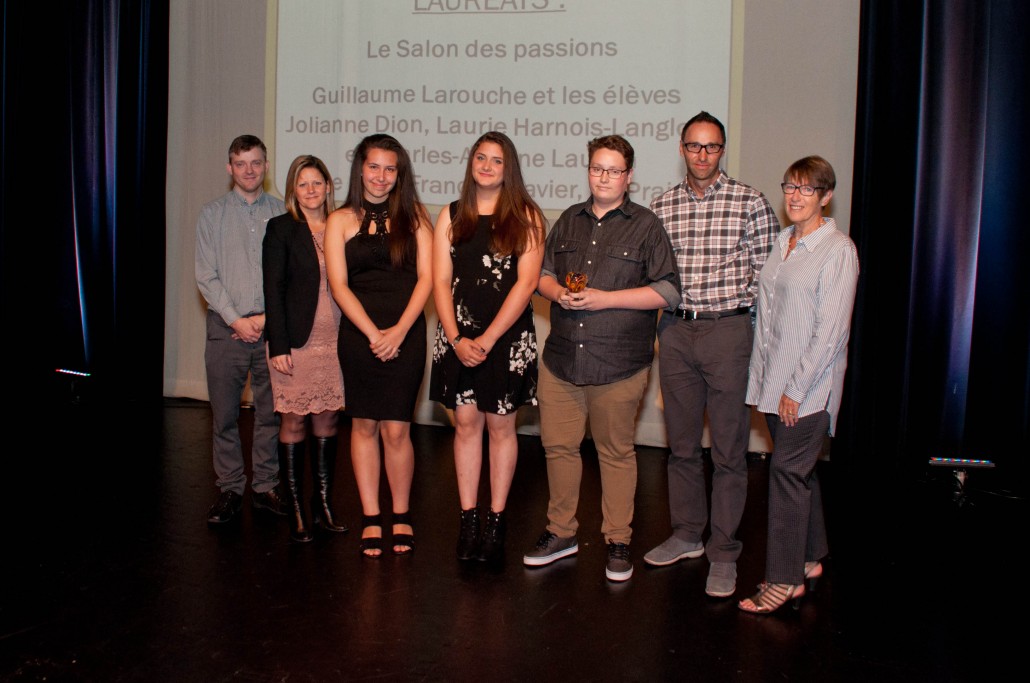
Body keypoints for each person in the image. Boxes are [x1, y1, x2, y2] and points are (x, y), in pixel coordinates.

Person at [522, 135, 680, 582]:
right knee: (558, 449)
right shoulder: (568, 221)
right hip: (562, 361)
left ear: (629, 176)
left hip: (619, 363)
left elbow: (668, 290)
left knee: (615, 453)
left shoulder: (647, 225)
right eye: (596, 169)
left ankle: (617, 540)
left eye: (612, 170)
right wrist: (560, 295)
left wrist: (605, 299)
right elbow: (544, 277)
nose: (603, 177)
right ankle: (561, 532)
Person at [647, 111, 779, 597]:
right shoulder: (661, 206)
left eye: (712, 146)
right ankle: (686, 535)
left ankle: (723, 550)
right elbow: (654, 275)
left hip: (727, 332)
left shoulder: (750, 201)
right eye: (694, 146)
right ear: (682, 148)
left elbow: (770, 279)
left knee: (728, 450)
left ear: (722, 150)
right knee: (681, 446)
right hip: (677, 333)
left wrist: (761, 344)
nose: (703, 155)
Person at [738, 156, 858, 614]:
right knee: (799, 473)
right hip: (772, 380)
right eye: (790, 186)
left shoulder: (837, 250)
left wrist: (797, 388)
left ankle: (784, 580)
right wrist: (765, 379)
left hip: (805, 389)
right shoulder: (783, 240)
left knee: (786, 474)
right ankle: (810, 558)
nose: (795, 196)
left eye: (808, 190)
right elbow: (769, 316)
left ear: (826, 197)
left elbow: (832, 332)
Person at [429, 131, 546, 564]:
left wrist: (488, 339)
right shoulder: (452, 215)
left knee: (501, 429)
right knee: (465, 426)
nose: (487, 165)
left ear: (508, 168)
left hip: (505, 339)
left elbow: (528, 283)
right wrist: (458, 339)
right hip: (457, 339)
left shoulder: (527, 216)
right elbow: (440, 281)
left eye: (497, 160)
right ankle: (469, 519)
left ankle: (497, 521)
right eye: (481, 157)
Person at [324, 134, 434, 558]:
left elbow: (426, 280)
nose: (382, 177)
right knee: (364, 426)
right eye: (374, 167)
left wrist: (399, 332)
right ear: (360, 169)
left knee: (397, 429)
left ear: (399, 174)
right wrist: (373, 334)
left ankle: (401, 513)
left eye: (391, 169)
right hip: (358, 335)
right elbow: (338, 285)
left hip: (406, 333)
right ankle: (372, 515)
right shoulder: (339, 221)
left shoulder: (417, 216)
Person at [195, 134, 286, 524]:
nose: (249, 170)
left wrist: (264, 320)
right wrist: (236, 319)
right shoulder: (211, 215)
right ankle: (231, 489)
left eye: (256, 163)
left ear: (266, 167)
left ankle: (265, 487)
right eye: (240, 163)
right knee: (225, 415)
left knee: (270, 415)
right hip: (225, 329)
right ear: (229, 167)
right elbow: (206, 276)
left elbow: (291, 277)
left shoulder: (284, 215)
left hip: (272, 329)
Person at [263, 154, 346, 543]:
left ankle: (323, 505)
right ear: (292, 191)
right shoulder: (280, 229)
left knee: (328, 421)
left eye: (317, 183)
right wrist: (277, 344)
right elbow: (273, 290)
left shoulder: (343, 226)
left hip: (338, 343)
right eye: (302, 184)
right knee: (293, 421)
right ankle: (297, 507)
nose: (311, 190)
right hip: (295, 344)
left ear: (329, 186)